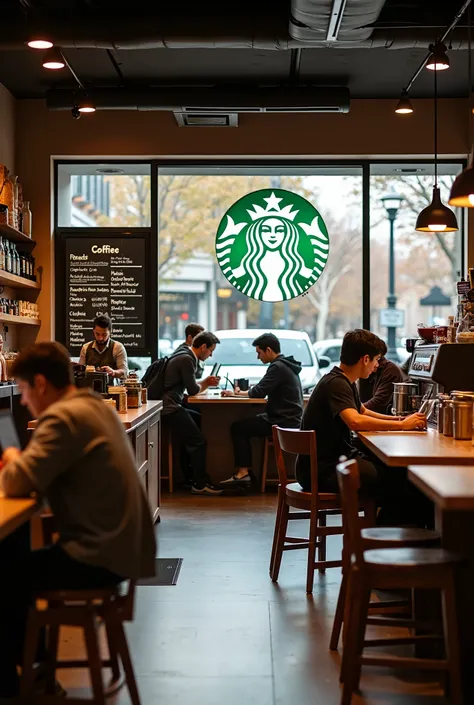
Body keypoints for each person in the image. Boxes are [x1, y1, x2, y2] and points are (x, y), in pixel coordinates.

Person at [0, 342, 156, 700]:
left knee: (7, 574)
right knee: (13, 557)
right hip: (125, 547)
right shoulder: (92, 407)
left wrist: (11, 453)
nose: (23, 400)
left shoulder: (63, 417)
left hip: (100, 556)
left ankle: (14, 685)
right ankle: (35, 669)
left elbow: (17, 481)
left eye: (23, 389)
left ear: (40, 383)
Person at [297, 329, 428, 525]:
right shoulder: (337, 384)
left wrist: (402, 422)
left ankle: (384, 535)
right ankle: (384, 537)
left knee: (400, 475)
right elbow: (355, 421)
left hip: (328, 463)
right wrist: (403, 425)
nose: (376, 366)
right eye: (376, 359)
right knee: (405, 481)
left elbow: (363, 411)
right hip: (322, 471)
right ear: (365, 359)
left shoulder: (343, 380)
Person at [221, 332, 303, 485]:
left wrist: (234, 394)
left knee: (238, 428)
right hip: (290, 419)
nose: (258, 357)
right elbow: (262, 389)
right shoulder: (286, 365)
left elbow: (258, 392)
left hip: (282, 421)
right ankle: (247, 473)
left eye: (259, 353)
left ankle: (243, 473)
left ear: (269, 350)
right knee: (243, 426)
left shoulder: (277, 367)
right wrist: (243, 393)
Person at [162, 331, 223, 495]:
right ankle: (199, 483)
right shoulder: (188, 359)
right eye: (211, 350)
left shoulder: (183, 353)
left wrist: (205, 382)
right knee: (198, 442)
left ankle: (190, 476)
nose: (210, 355)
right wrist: (207, 383)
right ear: (203, 347)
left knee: (197, 419)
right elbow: (193, 389)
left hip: (168, 404)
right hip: (169, 408)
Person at [358, 339, 404, 414]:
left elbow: (377, 404)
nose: (377, 364)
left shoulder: (390, 370)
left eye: (379, 359)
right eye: (376, 359)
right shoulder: (363, 373)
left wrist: (354, 411)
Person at [78, 313, 128, 381]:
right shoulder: (85, 348)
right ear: (93, 331)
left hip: (112, 389)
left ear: (110, 332)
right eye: (97, 334)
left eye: (104, 335)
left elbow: (124, 372)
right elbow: (80, 372)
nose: (100, 338)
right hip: (90, 389)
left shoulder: (118, 347)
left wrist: (113, 372)